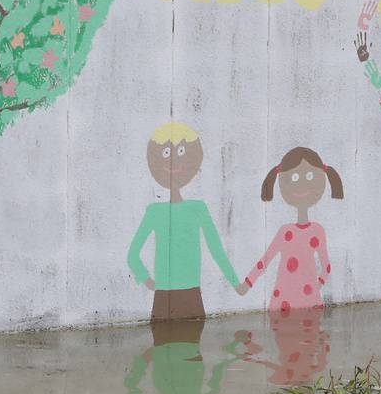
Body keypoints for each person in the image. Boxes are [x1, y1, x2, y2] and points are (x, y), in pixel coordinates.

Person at [126, 122, 243, 320]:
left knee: (171, 345)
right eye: (165, 153)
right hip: (171, 294)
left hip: (184, 293)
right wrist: (149, 282)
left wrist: (235, 283)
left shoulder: (196, 209)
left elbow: (216, 249)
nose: (173, 161)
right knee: (183, 344)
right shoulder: (156, 211)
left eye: (181, 151)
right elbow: (132, 255)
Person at [241, 146, 343, 315]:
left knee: (309, 337)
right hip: (282, 301)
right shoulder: (285, 232)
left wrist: (313, 287)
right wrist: (247, 283)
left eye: (309, 176)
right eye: (294, 177)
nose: (302, 186)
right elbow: (266, 260)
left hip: (310, 302)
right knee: (283, 339)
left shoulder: (317, 231)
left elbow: (326, 267)